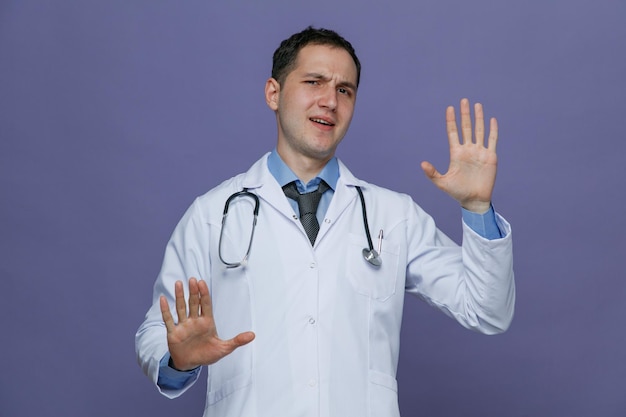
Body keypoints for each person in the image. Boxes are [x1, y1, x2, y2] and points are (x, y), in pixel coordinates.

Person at [135, 26, 515, 417]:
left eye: (344, 90)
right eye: (314, 82)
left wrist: (476, 207)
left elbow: (487, 311)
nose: (330, 101)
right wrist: (178, 361)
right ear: (273, 93)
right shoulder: (214, 214)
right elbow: (154, 334)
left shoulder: (393, 216)